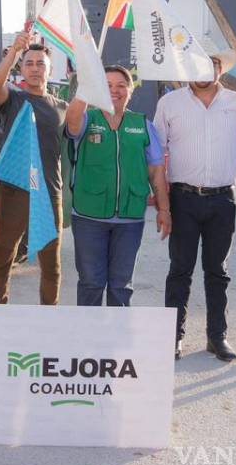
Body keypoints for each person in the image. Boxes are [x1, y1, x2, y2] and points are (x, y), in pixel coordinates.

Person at [153, 46, 236, 361]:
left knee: (218, 271)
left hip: (222, 199)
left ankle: (217, 337)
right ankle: (172, 338)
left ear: (220, 69)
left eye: (210, 65)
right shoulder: (169, 104)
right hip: (183, 199)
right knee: (180, 270)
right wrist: (160, 199)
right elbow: (156, 153)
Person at [65, 65, 171, 307]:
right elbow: (71, 120)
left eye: (121, 86)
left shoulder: (143, 125)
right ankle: (89, 331)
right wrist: (86, 88)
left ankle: (117, 331)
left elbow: (156, 171)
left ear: (130, 91)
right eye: (107, 85)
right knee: (91, 282)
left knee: (121, 286)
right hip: (89, 216)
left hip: (129, 219)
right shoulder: (86, 120)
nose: (114, 90)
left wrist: (164, 210)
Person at [0, 34, 68, 305]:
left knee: (51, 264)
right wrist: (14, 51)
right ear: (21, 69)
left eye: (40, 64)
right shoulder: (14, 99)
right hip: (16, 190)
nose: (35, 68)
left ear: (50, 70)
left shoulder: (62, 108)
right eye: (29, 63)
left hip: (49, 193)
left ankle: (48, 314)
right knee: (3, 257)